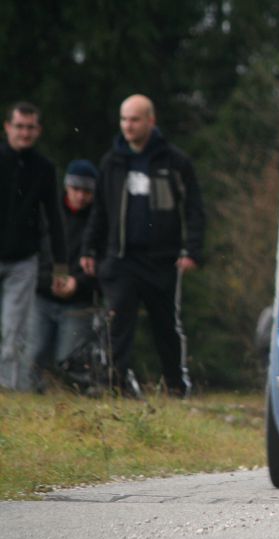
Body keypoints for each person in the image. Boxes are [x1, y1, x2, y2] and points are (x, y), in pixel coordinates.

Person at [80, 94, 204, 397]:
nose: (128, 126)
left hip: (162, 260)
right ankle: (114, 385)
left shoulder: (175, 162)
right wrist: (88, 249)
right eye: (124, 119)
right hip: (121, 258)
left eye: (135, 119)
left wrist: (192, 250)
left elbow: (194, 209)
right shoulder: (112, 162)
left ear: (151, 120)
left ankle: (175, 386)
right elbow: (100, 211)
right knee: (117, 323)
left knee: (165, 327)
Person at [0, 102, 67, 391]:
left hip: (23, 261)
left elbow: (54, 216)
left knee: (14, 332)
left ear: (38, 131)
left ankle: (6, 392)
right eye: (19, 126)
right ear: (7, 127)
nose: (24, 133)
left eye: (30, 128)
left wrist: (60, 265)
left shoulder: (44, 169)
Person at [25, 160, 101, 391]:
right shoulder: (46, 214)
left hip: (78, 301)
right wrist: (50, 280)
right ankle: (28, 398)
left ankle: (87, 393)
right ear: (67, 187)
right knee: (32, 354)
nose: (80, 196)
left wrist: (77, 282)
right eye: (76, 189)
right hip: (42, 295)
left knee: (70, 359)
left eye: (87, 191)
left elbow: (102, 264)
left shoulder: (99, 222)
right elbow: (31, 253)